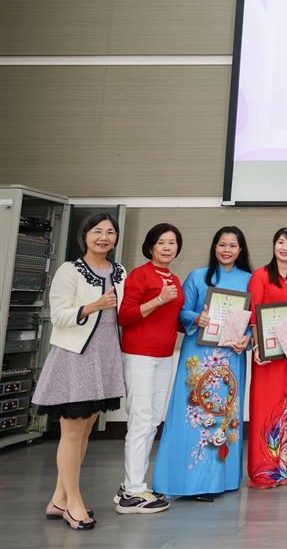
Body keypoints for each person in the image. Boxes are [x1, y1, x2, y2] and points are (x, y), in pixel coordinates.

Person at [33, 213, 126, 530]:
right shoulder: (69, 270)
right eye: (97, 231)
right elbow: (58, 316)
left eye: (110, 232)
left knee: (85, 430)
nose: (104, 237)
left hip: (105, 357)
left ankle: (59, 499)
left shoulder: (119, 271)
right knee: (71, 433)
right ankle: (73, 503)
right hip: (75, 357)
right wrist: (92, 306)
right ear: (84, 235)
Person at [152, 226, 253, 500]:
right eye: (222, 244)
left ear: (240, 250)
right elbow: (181, 311)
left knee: (223, 416)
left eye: (233, 245)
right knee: (193, 415)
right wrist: (197, 318)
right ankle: (186, 481)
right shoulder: (198, 276)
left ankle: (220, 480)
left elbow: (253, 320)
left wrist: (248, 338)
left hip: (230, 357)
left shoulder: (249, 280)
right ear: (214, 246)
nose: (227, 250)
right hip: (199, 356)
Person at [114, 223, 184, 513]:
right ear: (151, 246)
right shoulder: (140, 275)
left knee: (153, 419)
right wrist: (158, 299)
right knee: (141, 420)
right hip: (139, 355)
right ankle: (132, 492)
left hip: (164, 356)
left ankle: (132, 485)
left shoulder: (174, 278)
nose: (167, 247)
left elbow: (174, 319)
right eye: (161, 242)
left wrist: (205, 320)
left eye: (172, 242)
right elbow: (125, 316)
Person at [247, 228, 287, 489]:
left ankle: (280, 469)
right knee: (263, 409)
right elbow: (254, 313)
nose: (285, 248)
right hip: (267, 355)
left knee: (285, 412)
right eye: (281, 242)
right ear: (273, 245)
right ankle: (262, 472)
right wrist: (258, 345)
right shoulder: (261, 275)